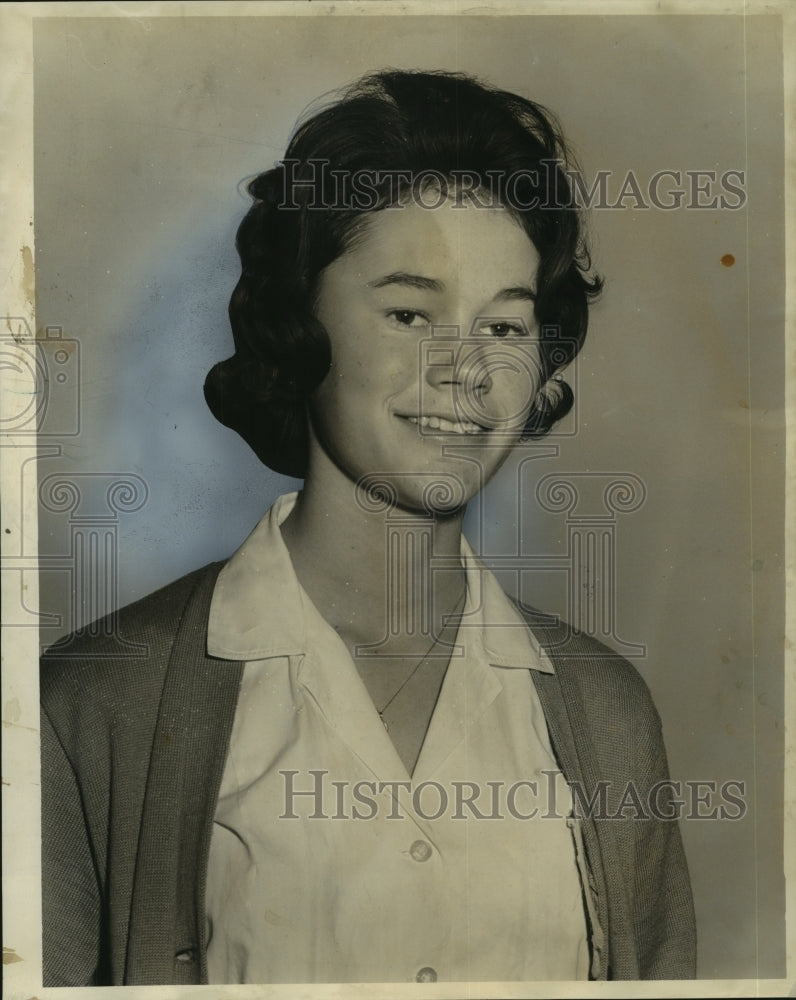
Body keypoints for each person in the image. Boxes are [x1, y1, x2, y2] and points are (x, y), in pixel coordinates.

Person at [40, 69, 696, 986]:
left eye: (506, 327)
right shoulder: (88, 707)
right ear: (298, 324)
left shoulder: (606, 712)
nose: (466, 369)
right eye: (409, 314)